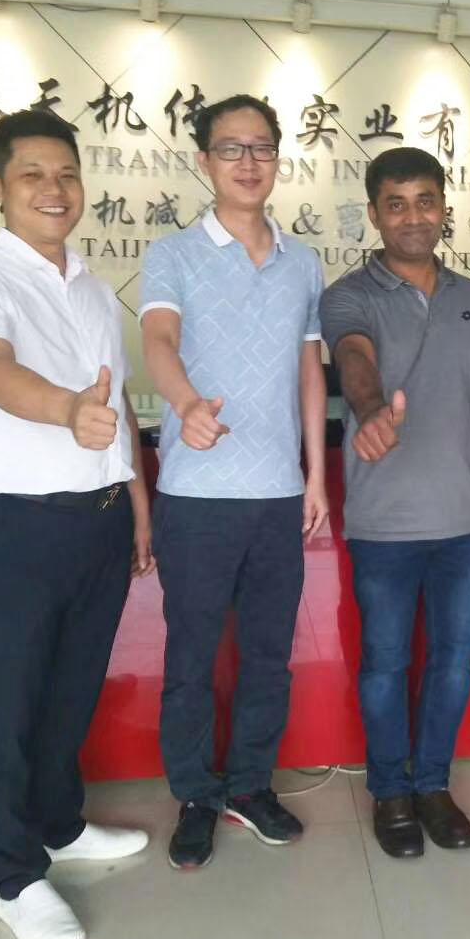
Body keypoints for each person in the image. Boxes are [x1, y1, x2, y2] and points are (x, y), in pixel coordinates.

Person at [0, 109, 154, 939]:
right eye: (32, 174)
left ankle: (59, 824)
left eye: (66, 174)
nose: (53, 190)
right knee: (5, 701)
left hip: (99, 521)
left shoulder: (93, 289)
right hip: (18, 524)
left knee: (71, 690)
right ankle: (14, 877)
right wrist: (66, 410)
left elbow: (115, 402)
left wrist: (136, 503)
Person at [139, 94, 327, 870]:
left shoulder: (302, 261)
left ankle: (250, 786)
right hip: (196, 498)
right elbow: (157, 338)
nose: (248, 162)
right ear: (204, 161)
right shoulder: (173, 254)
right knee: (190, 659)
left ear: (277, 158)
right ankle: (194, 795)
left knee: (267, 656)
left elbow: (310, 370)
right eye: (230, 148)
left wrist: (315, 475)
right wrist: (186, 404)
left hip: (277, 494)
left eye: (261, 148)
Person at [319, 146, 470, 859]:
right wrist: (370, 409)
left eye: (425, 201)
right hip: (386, 526)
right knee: (384, 664)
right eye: (396, 204)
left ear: (443, 209)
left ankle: (432, 785)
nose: (413, 217)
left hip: (466, 523)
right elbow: (354, 357)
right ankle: (390, 792)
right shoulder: (348, 294)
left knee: (454, 663)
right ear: (374, 215)